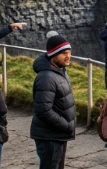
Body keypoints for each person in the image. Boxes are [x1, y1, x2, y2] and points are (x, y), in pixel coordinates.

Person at [31, 34, 76, 169]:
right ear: (53, 55)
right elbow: (43, 110)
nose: (68, 56)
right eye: (63, 53)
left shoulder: (58, 71)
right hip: (50, 136)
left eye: (69, 52)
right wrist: (66, 125)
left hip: (57, 134)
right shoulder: (47, 77)